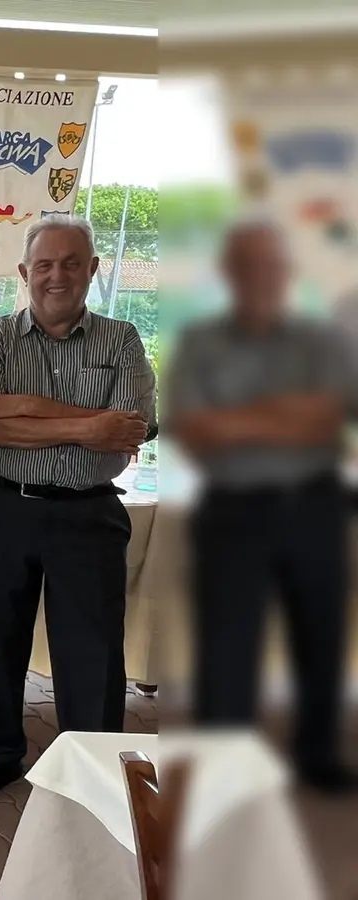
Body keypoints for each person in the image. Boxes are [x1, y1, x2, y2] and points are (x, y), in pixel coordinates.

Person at [0, 214, 155, 796]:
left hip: (88, 513)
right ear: (24, 272)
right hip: (1, 507)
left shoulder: (123, 340)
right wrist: (90, 425)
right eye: (44, 264)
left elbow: (131, 430)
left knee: (91, 650)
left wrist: (25, 409)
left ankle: (91, 768)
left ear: (93, 269)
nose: (56, 275)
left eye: (71, 263)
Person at [167, 220, 355, 792]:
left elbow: (328, 421)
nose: (260, 276)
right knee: (226, 655)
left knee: (321, 644)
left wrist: (239, 419)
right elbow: (196, 431)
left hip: (316, 508)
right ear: (228, 273)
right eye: (246, 265)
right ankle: (228, 776)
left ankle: (317, 759)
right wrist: (286, 416)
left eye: (270, 264)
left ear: (288, 272)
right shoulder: (199, 342)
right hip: (232, 514)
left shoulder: (322, 341)